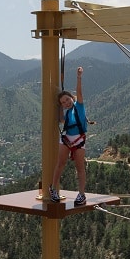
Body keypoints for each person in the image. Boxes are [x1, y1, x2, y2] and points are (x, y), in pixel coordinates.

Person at [50, 66, 88, 205]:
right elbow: (62, 120)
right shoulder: (66, 112)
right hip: (66, 139)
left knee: (80, 168)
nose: (66, 103)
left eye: (67, 99)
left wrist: (78, 77)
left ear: (72, 98)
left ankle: (81, 194)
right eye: (63, 102)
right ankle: (53, 189)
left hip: (79, 140)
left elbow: (79, 92)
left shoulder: (79, 106)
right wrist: (59, 106)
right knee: (60, 164)